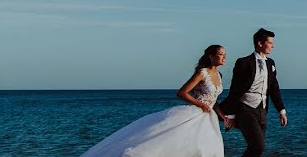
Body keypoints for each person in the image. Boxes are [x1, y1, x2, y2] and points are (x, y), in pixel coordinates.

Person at [80, 45, 228, 157]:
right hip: (194, 114)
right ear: (211, 56)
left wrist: (223, 116)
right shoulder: (202, 73)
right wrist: (201, 104)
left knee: (207, 149)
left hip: (208, 118)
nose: (224, 57)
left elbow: (214, 100)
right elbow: (182, 93)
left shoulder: (219, 75)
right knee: (169, 145)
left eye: (225, 54)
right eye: (221, 54)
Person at [216, 28, 287, 157]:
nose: (273, 46)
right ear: (260, 43)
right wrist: (231, 114)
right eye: (270, 43)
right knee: (258, 145)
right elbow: (235, 90)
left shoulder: (271, 63)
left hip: (263, 110)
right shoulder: (243, 62)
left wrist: (281, 111)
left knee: (256, 148)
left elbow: (274, 88)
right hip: (245, 109)